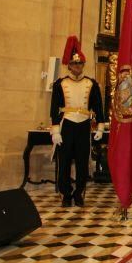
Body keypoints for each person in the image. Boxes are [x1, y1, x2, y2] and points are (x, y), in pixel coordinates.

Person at [50, 36, 105, 207]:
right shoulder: (60, 84)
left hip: (83, 125)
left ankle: (79, 192)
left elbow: (98, 107)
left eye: (80, 63)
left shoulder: (91, 84)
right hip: (66, 124)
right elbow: (54, 109)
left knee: (82, 161)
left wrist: (101, 128)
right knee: (64, 160)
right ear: (69, 65)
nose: (77, 67)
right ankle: (66, 193)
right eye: (74, 64)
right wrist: (55, 131)